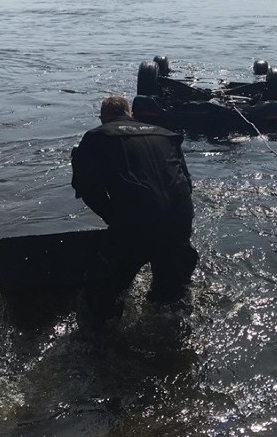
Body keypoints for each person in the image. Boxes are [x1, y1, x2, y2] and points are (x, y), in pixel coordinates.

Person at [70, 95, 197, 330]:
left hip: (136, 222)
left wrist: (114, 219)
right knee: (170, 297)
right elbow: (186, 184)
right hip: (179, 220)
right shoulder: (165, 134)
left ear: (103, 117)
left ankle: (97, 339)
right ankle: (169, 323)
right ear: (130, 113)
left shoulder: (98, 136)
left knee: (102, 295)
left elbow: (87, 189)